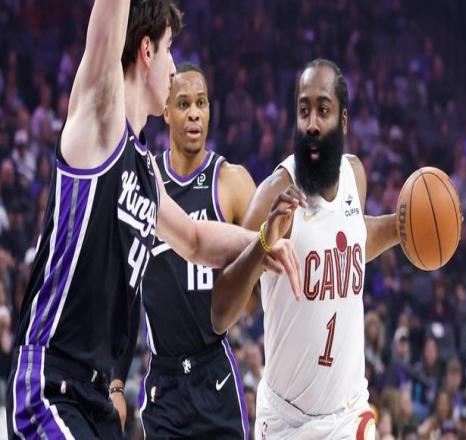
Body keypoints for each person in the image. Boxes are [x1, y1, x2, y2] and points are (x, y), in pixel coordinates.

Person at [7, 2, 299, 438]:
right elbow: (108, 20)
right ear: (147, 50)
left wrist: (261, 242)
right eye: (169, 49)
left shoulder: (145, 169)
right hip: (52, 381)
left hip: (95, 394)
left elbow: (195, 240)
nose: (173, 66)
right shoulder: (100, 117)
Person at [211, 59, 402, 439]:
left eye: (323, 110)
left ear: (343, 122)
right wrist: (264, 243)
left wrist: (400, 227)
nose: (312, 123)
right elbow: (221, 313)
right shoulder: (273, 193)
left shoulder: (355, 176)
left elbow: (350, 239)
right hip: (288, 422)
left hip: (349, 412)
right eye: (304, 111)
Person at [110, 63, 256, 439]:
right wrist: (116, 382)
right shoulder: (144, 181)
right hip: (164, 382)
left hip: (215, 371)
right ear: (166, 110)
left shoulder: (232, 181)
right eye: (184, 103)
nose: (194, 113)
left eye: (202, 103)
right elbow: (125, 292)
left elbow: (264, 280)